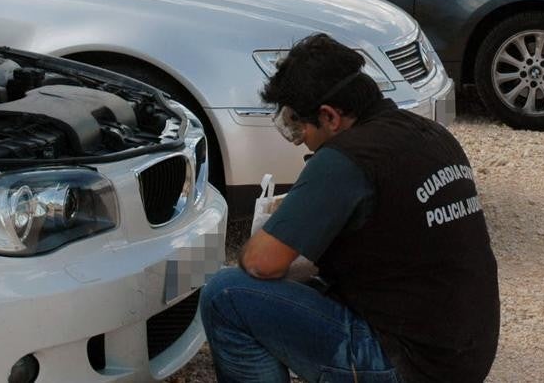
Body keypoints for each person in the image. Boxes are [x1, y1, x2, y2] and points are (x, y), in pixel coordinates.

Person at [199, 33, 500, 383]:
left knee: (226, 295)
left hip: (407, 365)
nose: (302, 141)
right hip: (461, 355)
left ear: (329, 117)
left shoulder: (347, 158)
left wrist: (279, 226)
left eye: (300, 127)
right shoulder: (432, 136)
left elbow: (260, 263)